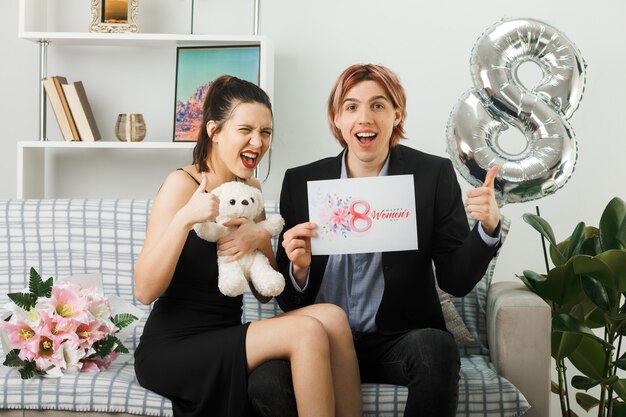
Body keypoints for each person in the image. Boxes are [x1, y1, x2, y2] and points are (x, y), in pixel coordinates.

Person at [249, 64, 502, 417]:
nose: (364, 118)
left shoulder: (432, 175)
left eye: (378, 105)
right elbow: (290, 302)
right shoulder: (301, 182)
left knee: (436, 349)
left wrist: (487, 229)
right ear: (336, 118)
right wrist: (299, 270)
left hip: (396, 341)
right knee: (263, 381)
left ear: (397, 113)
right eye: (351, 107)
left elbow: (455, 281)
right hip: (319, 341)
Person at [133, 75, 362, 417]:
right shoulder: (181, 184)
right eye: (246, 130)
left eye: (265, 132)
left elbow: (265, 293)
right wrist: (184, 219)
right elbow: (145, 291)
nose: (258, 141)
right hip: (173, 347)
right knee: (306, 330)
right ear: (214, 131)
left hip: (225, 334)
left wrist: (260, 239)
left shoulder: (250, 189)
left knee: (332, 317)